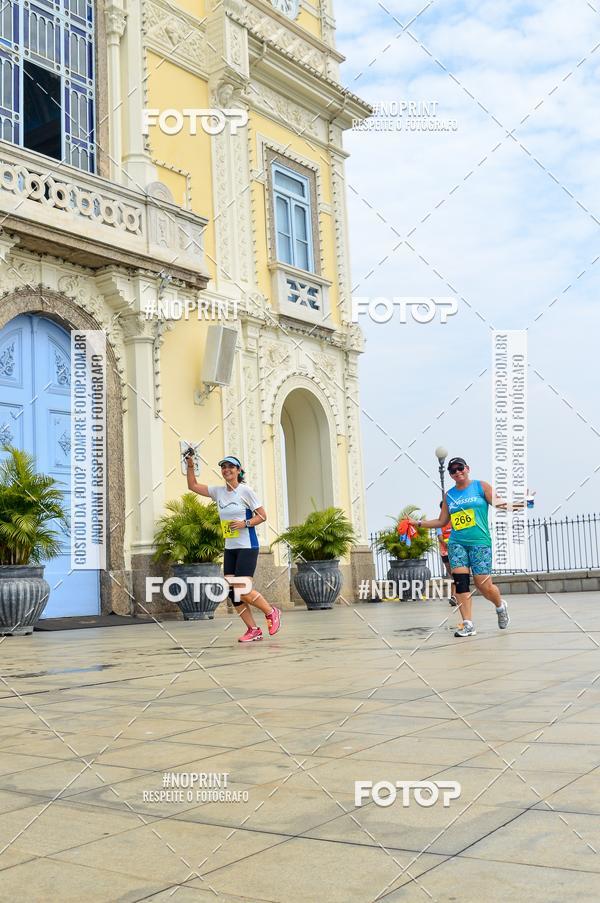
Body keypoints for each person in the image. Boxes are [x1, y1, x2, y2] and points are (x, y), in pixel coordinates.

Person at [410, 457, 517, 638]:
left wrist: (521, 503)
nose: (457, 472)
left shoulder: (480, 487)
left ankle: (500, 606)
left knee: (483, 584)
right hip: (457, 543)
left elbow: (499, 503)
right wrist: (418, 523)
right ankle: (467, 624)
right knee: (460, 582)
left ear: (467, 468)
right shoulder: (449, 495)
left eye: (460, 468)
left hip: (480, 542)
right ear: (450, 474)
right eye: (453, 470)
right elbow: (442, 521)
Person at [185, 452, 281, 643]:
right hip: (231, 548)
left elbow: (262, 516)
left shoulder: (245, 491)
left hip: (247, 546)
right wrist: (190, 466)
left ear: (238, 471)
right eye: (223, 467)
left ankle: (271, 612)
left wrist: (245, 523)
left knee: (242, 587)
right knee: (232, 591)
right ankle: (253, 629)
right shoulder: (218, 492)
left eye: (231, 466)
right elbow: (193, 486)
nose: (226, 470)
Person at [436, 501, 457, 607]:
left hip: (457, 550)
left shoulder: (455, 519)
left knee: (456, 574)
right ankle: (455, 596)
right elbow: (440, 537)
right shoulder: (440, 522)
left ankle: (454, 596)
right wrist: (446, 544)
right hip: (445, 552)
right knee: (453, 574)